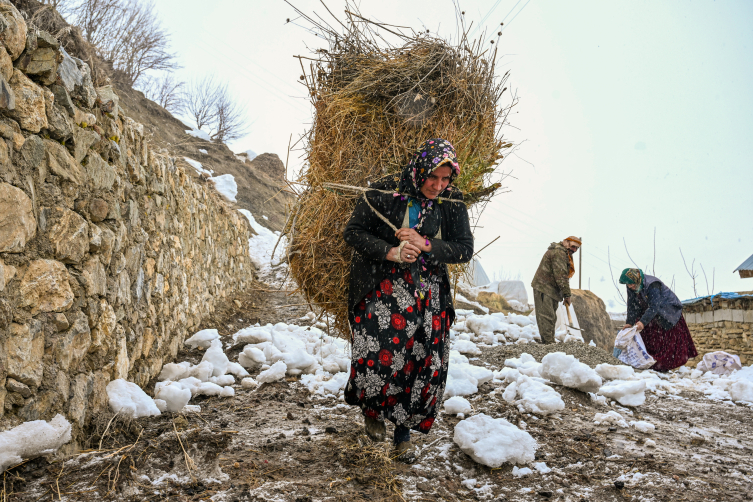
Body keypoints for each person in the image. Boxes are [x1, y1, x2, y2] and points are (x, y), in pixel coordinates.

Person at [342, 138, 473, 461]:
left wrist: (425, 244)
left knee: (423, 361)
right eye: (433, 178)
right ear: (420, 169)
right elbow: (354, 232)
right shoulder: (386, 193)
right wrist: (391, 251)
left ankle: (402, 435)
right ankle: (372, 412)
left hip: (430, 293)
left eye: (445, 179)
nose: (438, 186)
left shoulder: (452, 203)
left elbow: (464, 249)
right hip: (384, 287)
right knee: (380, 354)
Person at [619, 268, 698, 371]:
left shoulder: (652, 284)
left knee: (666, 344)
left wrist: (642, 322)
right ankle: (648, 363)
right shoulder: (631, 285)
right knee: (644, 337)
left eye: (632, 284)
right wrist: (629, 322)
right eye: (628, 285)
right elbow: (631, 305)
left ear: (636, 278)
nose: (630, 287)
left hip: (666, 313)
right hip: (650, 313)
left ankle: (661, 366)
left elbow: (654, 306)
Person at [531, 237, 581, 344]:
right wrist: (567, 295)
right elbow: (561, 276)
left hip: (551, 288)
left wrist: (564, 293)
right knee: (546, 316)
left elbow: (563, 277)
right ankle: (548, 343)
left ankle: (549, 341)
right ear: (566, 243)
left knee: (551, 316)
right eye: (573, 246)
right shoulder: (559, 253)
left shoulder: (564, 253)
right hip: (544, 287)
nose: (574, 250)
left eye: (577, 248)